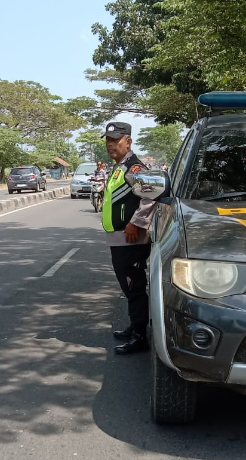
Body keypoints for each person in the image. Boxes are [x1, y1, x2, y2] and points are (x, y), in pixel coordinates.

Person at [101, 121, 156, 355]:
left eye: (116, 140)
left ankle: (140, 336)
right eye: (108, 140)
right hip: (119, 239)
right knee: (129, 286)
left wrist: (136, 223)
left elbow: (151, 194)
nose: (110, 144)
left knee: (134, 287)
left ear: (128, 141)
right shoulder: (119, 167)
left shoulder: (134, 167)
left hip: (131, 240)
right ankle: (135, 325)